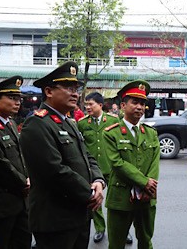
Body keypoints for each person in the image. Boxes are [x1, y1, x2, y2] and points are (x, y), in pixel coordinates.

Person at [20, 61, 105, 249]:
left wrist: (99, 181)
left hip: (79, 213)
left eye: (76, 88)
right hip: (55, 220)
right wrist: (90, 193)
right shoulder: (37, 124)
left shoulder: (69, 122)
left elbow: (87, 157)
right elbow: (54, 170)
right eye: (68, 87)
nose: (75, 93)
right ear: (49, 91)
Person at [103, 80, 160, 249]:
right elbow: (116, 163)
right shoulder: (111, 133)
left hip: (146, 198)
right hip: (120, 198)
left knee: (146, 241)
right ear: (123, 105)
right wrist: (144, 182)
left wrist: (149, 185)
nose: (139, 107)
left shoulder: (151, 133)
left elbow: (155, 162)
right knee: (116, 244)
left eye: (142, 103)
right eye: (134, 102)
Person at [77, 92, 133, 244]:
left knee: (118, 201)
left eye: (91, 104)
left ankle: (124, 230)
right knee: (95, 199)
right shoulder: (82, 124)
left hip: (112, 167)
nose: (87, 107)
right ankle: (100, 228)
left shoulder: (113, 120)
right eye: (86, 104)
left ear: (100, 105)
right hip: (93, 170)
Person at [0, 76, 31, 249]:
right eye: (12, 98)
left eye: (19, 99)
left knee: (23, 242)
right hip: (2, 203)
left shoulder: (11, 123)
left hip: (21, 200)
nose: (17, 103)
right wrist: (24, 182)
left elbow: (20, 156)